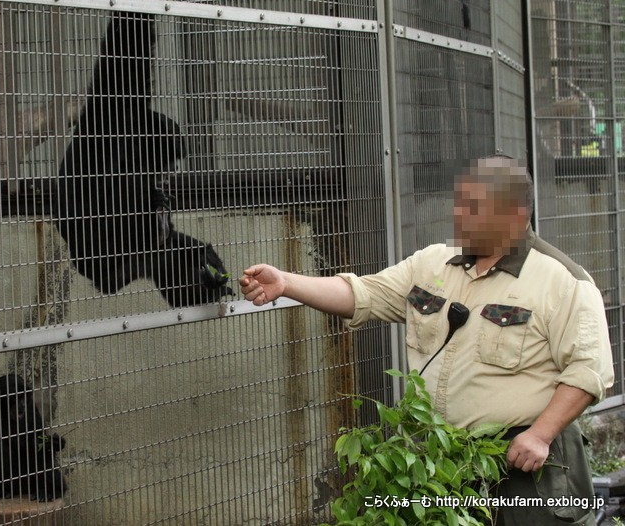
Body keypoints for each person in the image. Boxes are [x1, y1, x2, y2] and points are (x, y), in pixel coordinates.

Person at [240, 156, 614, 525]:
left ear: (514, 215)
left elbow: (589, 371)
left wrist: (540, 434)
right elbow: (363, 294)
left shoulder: (563, 281)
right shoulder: (434, 264)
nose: (458, 215)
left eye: (473, 207)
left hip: (526, 461)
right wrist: (287, 283)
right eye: (459, 203)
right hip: (442, 459)